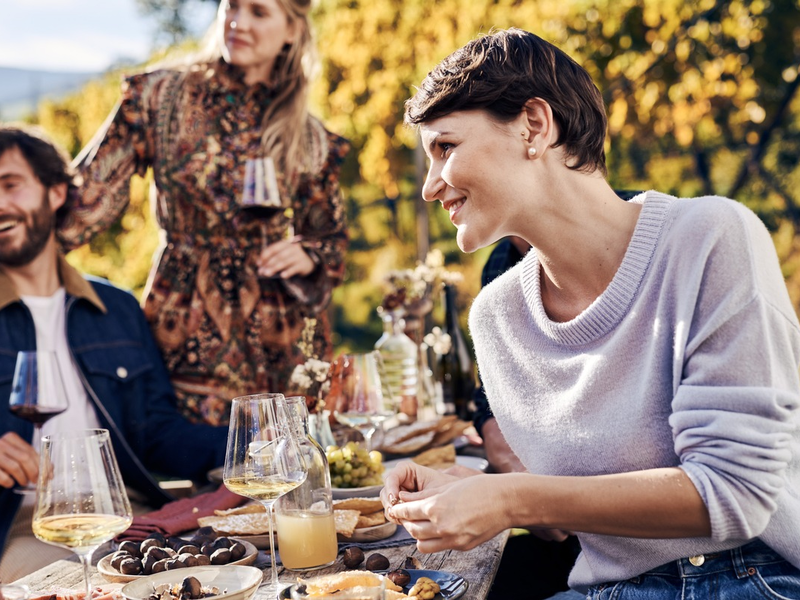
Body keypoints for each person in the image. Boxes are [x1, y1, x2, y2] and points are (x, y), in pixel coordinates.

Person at [381, 28, 800, 599]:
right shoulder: (498, 318)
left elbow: (735, 493)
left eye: (446, 148)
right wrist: (463, 486)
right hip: (609, 588)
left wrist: (511, 498)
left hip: (751, 577)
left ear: (534, 125)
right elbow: (559, 518)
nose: (430, 188)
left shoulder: (710, 239)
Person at [57, 0, 349, 426]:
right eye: (231, 6)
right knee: (185, 454)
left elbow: (332, 240)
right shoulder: (160, 97)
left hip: (280, 341)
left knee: (283, 456)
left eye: (258, 12)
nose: (238, 22)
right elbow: (86, 197)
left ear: (291, 29)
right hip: (183, 325)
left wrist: (309, 255)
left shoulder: (307, 134)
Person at [0, 123, 229, 581]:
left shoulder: (117, 308)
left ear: (56, 193)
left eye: (10, 185)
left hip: (125, 513)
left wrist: (252, 439)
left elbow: (159, 434)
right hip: (23, 526)